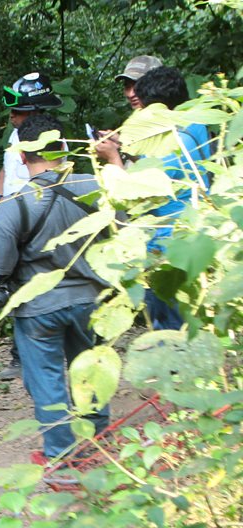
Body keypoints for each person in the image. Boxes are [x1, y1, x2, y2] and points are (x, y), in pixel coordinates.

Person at [0, 114, 111, 460]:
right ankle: (101, 441)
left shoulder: (16, 204)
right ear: (65, 147)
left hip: (38, 308)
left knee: (47, 381)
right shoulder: (94, 186)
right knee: (90, 367)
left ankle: (63, 457)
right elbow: (122, 230)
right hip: (90, 298)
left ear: (22, 157)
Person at [95, 66, 212, 330]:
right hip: (195, 230)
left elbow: (135, 195)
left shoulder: (171, 145)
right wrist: (125, 146)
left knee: (168, 323)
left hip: (168, 242)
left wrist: (113, 158)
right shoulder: (194, 123)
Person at [0, 72, 64, 381]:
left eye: (18, 111)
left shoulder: (52, 140)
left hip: (37, 221)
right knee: (14, 289)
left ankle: (50, 355)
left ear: (35, 111)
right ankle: (20, 356)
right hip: (14, 216)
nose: (12, 116)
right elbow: (6, 168)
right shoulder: (15, 136)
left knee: (38, 288)